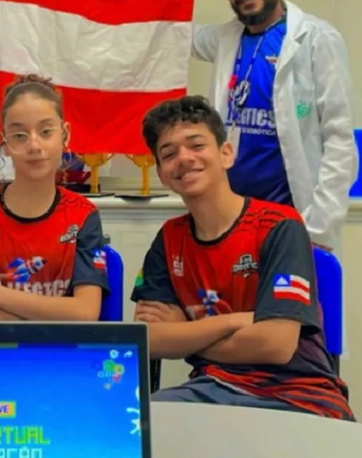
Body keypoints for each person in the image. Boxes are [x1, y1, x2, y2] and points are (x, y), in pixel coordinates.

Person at [131, 95, 354, 421]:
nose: (184, 158)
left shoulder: (280, 225)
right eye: (169, 153)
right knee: (137, 420)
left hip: (301, 396)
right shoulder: (169, 239)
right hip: (210, 389)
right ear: (162, 174)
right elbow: (150, 339)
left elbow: (276, 345)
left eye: (196, 145)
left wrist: (185, 334)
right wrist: (236, 321)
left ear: (226, 153)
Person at [192, 0, 357, 250]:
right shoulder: (225, 39)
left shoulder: (316, 39)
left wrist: (318, 232)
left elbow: (339, 141)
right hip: (233, 221)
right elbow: (172, 29)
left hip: (294, 224)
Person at [0, 74, 109, 321]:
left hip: (60, 347)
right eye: (19, 135)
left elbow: (84, 313)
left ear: (65, 134)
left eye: (46, 131)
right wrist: (50, 317)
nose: (34, 146)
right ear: (4, 143)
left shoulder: (82, 215)